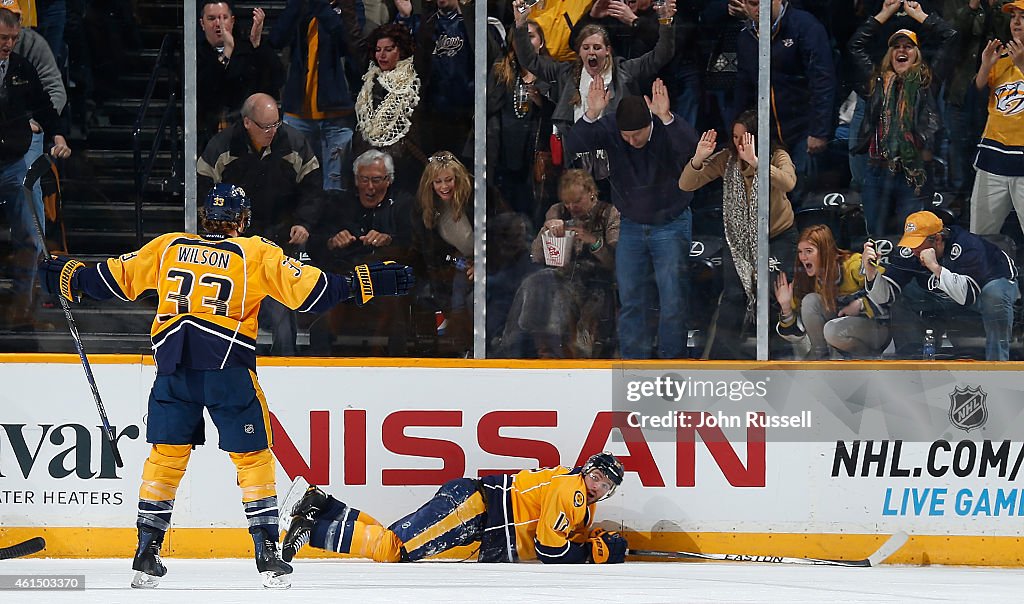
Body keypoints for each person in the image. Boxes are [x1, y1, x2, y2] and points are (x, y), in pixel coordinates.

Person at [36, 184, 414, 588]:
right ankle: (267, 551)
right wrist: (367, 282)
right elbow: (315, 294)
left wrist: (65, 274)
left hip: (174, 370)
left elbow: (109, 280)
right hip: (227, 369)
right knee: (252, 458)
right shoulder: (255, 252)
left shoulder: (168, 246)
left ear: (204, 217)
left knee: (166, 457)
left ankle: (147, 549)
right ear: (243, 219)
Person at [279, 452, 627, 564]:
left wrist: (593, 540)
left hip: (473, 508)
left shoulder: (580, 500)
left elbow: (567, 533)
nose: (597, 486)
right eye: (596, 477)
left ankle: (320, 506)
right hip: (474, 510)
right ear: (586, 472)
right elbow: (549, 548)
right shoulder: (574, 490)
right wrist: (593, 554)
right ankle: (311, 530)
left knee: (390, 539)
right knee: (392, 550)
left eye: (605, 485)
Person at [566, 78, 697, 359]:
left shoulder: (663, 126)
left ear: (649, 123)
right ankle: (633, 363)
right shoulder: (613, 127)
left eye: (637, 134)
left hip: (670, 223)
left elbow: (693, 149)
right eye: (625, 136)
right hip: (632, 225)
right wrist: (592, 113)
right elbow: (574, 143)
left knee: (672, 299)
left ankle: (671, 360)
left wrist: (667, 117)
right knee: (631, 299)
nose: (631, 141)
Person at [197, 93, 324, 356]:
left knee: (281, 312)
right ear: (247, 123)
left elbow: (312, 189)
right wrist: (219, 233)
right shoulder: (222, 146)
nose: (273, 131)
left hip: (278, 243)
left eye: (276, 124)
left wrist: (304, 222)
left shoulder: (294, 143)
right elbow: (202, 194)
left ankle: (286, 366)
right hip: (234, 248)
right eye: (266, 126)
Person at [680, 110, 797, 359]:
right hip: (740, 241)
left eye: (744, 138)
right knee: (733, 296)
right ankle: (723, 360)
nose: (738, 143)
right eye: (735, 137)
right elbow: (686, 184)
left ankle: (780, 355)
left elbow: (789, 183)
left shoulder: (777, 156)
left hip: (777, 236)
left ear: (757, 137)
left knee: (775, 294)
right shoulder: (727, 160)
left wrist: (757, 163)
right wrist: (698, 159)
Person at [848, 0, 957, 236]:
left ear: (916, 54)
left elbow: (952, 38)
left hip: (914, 173)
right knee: (876, 240)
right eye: (896, 46)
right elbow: (855, 45)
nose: (902, 50)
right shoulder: (877, 81)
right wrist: (885, 13)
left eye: (908, 46)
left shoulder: (927, 82)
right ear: (890, 53)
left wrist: (919, 16)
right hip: (877, 171)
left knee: (915, 240)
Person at [511, 0, 676, 146]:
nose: (591, 53)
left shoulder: (625, 71)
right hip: (578, 150)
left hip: (615, 149)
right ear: (579, 52)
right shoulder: (565, 73)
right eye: (586, 48)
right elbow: (529, 60)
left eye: (597, 47)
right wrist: (520, 25)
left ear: (607, 51)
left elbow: (661, 55)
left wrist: (666, 22)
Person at [863, 211, 1019, 361]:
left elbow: (966, 296)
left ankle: (997, 363)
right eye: (910, 243)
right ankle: (912, 359)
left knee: (994, 295)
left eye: (918, 244)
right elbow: (884, 297)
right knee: (903, 295)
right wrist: (871, 273)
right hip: (943, 294)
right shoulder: (911, 252)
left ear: (937, 239)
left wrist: (934, 267)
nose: (914, 250)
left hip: (988, 288)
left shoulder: (969, 246)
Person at [0, 5, 71, 329]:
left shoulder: (20, 65)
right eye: (3, 38)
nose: (8, 44)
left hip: (13, 162)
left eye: (13, 38)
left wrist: (57, 133)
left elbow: (44, 101)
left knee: (30, 232)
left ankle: (24, 309)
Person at [499, 169, 620, 358]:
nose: (572, 207)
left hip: (597, 279)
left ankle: (572, 349)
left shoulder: (609, 213)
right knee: (535, 281)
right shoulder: (557, 211)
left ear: (591, 192)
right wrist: (546, 232)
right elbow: (536, 256)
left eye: (577, 201)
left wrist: (593, 241)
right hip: (561, 276)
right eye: (567, 202)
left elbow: (615, 263)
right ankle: (520, 345)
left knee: (567, 295)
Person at [307, 149, 414, 355]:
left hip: (386, 285)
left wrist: (389, 241)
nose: (370, 187)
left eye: (376, 180)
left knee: (397, 325)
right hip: (343, 284)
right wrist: (331, 242)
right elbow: (314, 245)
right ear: (356, 180)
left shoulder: (403, 204)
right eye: (364, 179)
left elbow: (415, 246)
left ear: (389, 180)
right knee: (320, 327)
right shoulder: (338, 204)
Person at [734, 0, 835, 195]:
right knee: (773, 195)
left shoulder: (805, 27)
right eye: (750, 3)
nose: (756, 9)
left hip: (804, 129)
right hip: (767, 133)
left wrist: (819, 130)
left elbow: (823, 81)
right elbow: (743, 87)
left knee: (800, 192)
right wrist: (739, 129)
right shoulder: (745, 36)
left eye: (759, 3)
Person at [269, 0, 364, 191]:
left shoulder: (350, 4)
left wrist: (321, 7)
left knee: (335, 184)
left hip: (337, 114)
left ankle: (334, 221)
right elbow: (276, 39)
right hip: (298, 112)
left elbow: (350, 45)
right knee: (295, 182)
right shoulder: (301, 4)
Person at [773, 225, 889, 359]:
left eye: (809, 251)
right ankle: (819, 355)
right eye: (800, 251)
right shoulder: (807, 278)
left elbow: (886, 296)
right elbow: (795, 337)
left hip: (875, 330)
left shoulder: (853, 264)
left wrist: (861, 304)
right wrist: (786, 307)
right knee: (811, 301)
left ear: (824, 251)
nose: (803, 257)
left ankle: (866, 360)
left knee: (832, 330)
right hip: (837, 330)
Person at [969, 1, 1024, 237]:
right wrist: (984, 67)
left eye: (1023, 16)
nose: (1017, 22)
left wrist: (1022, 64)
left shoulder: (1016, 60)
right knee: (979, 239)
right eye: (1014, 17)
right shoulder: (1000, 58)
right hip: (993, 160)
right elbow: (972, 102)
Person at [412, 150, 475, 355]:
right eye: (438, 182)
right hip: (458, 266)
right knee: (448, 297)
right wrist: (454, 260)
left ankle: (475, 348)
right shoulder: (427, 208)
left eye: (449, 180)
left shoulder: (477, 198)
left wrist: (484, 263)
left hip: (487, 261)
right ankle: (454, 349)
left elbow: (498, 234)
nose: (444, 186)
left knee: (467, 299)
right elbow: (432, 252)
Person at [197, 0, 283, 150]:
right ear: (202, 24)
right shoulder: (195, 54)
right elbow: (205, 90)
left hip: (247, 130)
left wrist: (257, 44)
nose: (219, 24)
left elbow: (278, 78)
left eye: (224, 18)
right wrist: (226, 52)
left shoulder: (248, 49)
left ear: (232, 21)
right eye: (211, 19)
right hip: (210, 132)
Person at [394, 0, 475, 158]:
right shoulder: (424, 24)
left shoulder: (473, 24)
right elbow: (401, 54)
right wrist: (405, 17)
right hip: (431, 115)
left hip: (466, 115)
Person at [353, 23, 423, 192]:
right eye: (378, 50)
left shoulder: (414, 76)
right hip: (368, 156)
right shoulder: (370, 76)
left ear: (401, 50)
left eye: (388, 49)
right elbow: (353, 37)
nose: (382, 55)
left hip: (404, 161)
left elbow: (426, 42)